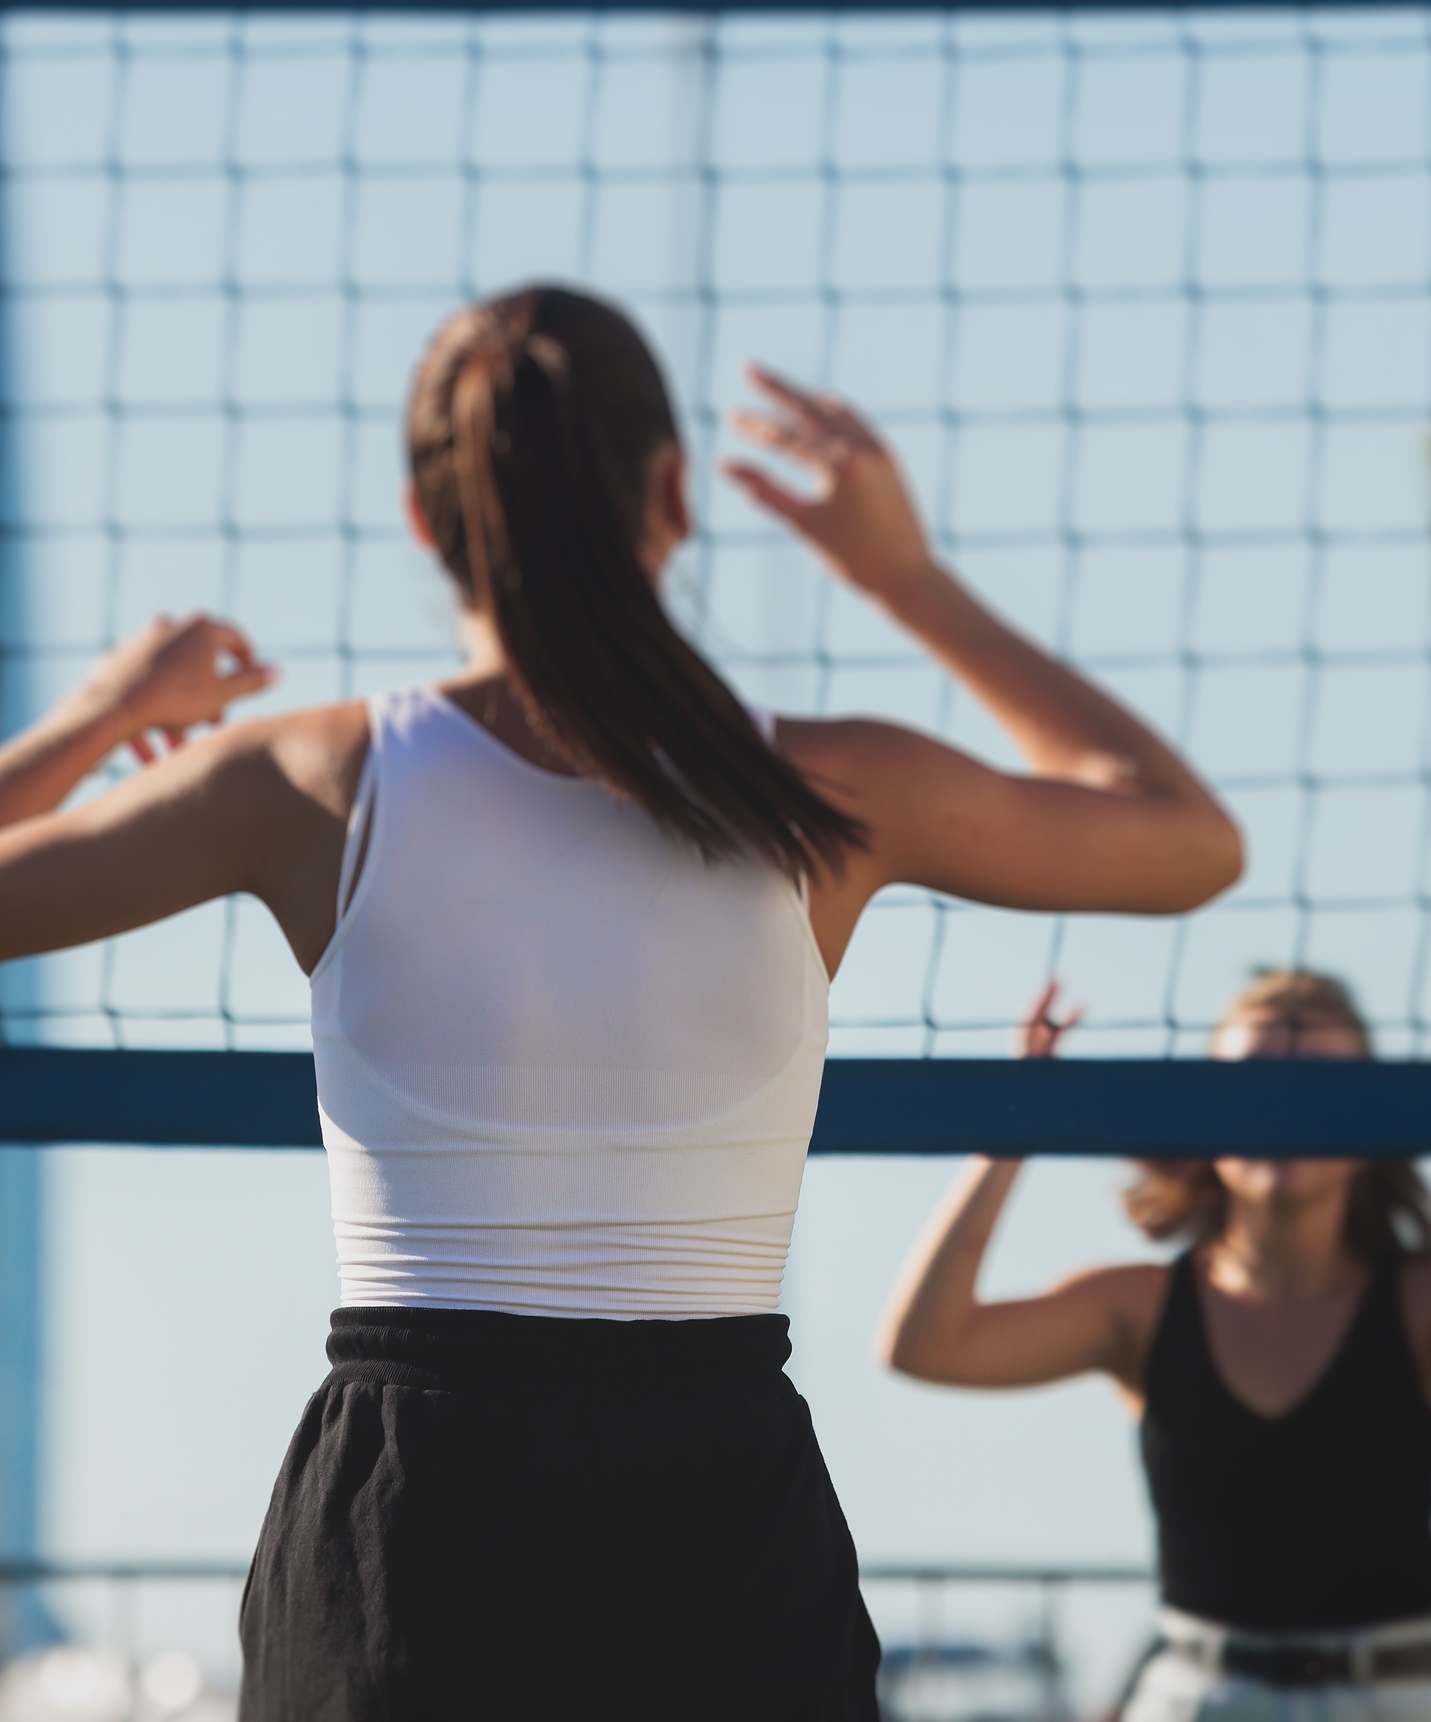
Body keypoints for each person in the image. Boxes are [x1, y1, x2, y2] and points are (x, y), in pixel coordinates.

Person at [0, 284, 1240, 1720]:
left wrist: (98, 717)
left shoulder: (313, 781)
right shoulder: (824, 791)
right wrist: (901, 577)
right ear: (674, 492)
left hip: (411, 1530)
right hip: (714, 1520)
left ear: (423, 523)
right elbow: (1181, 838)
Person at [880, 969, 1431, 1721]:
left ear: (1372, 1120)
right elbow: (924, 1345)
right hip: (1196, 1695)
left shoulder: (1414, 1302)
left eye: (1313, 1078)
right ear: (1203, 1117)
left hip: (1394, 1696)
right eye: (1253, 1078)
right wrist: (1012, 1123)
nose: (1283, 1101)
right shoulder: (1138, 1306)